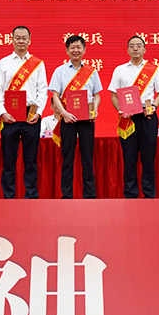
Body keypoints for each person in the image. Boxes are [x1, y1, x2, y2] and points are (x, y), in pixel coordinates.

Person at [108, 35, 159, 198]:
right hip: (127, 118)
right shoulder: (119, 70)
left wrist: (154, 106)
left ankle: (149, 194)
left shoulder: (154, 69)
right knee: (129, 158)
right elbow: (113, 96)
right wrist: (120, 109)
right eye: (132, 45)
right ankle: (130, 194)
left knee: (148, 158)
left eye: (139, 45)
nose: (135, 48)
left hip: (148, 116)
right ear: (127, 50)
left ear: (144, 49)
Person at [0, 26, 48, 199]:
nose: (21, 41)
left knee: (30, 160)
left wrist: (38, 112)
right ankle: (8, 196)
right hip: (9, 115)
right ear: (12, 39)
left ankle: (31, 195)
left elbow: (42, 91)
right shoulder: (3, 63)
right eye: (18, 37)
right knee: (9, 160)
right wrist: (2, 113)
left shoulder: (38, 64)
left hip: (31, 115)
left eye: (24, 38)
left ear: (30, 40)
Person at [48, 35, 103, 199]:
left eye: (79, 47)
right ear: (67, 50)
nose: (75, 50)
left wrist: (95, 109)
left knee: (87, 158)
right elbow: (55, 95)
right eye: (72, 47)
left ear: (84, 50)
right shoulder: (60, 71)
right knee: (67, 159)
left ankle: (90, 195)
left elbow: (97, 95)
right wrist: (64, 114)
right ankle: (66, 195)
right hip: (67, 119)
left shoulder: (91, 71)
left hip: (87, 120)